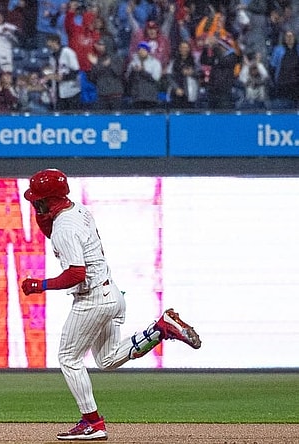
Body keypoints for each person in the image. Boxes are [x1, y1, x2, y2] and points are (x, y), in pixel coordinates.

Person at [20, 168, 202, 441]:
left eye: (38, 199)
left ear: (49, 198)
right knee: (106, 359)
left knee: (68, 359)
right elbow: (54, 230)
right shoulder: (78, 211)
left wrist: (40, 285)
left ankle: (92, 422)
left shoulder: (63, 228)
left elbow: (75, 274)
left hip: (92, 299)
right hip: (112, 295)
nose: (35, 203)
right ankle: (160, 329)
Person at [44, 32, 81, 111]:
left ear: (55, 41)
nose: (48, 45)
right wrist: (49, 75)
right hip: (58, 92)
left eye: (49, 42)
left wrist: (62, 77)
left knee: (73, 117)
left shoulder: (68, 52)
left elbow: (76, 71)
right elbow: (53, 71)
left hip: (71, 91)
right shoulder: (52, 55)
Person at [87, 36, 124, 110]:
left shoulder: (117, 58)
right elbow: (92, 78)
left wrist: (109, 65)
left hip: (115, 95)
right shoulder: (97, 59)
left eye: (101, 44)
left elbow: (119, 72)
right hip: (102, 95)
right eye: (99, 44)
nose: (99, 46)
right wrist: (98, 65)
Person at [126, 40, 161, 109]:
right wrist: (133, 71)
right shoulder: (133, 62)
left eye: (143, 49)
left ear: (148, 51)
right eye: (139, 49)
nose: (141, 51)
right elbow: (128, 78)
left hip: (150, 97)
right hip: (137, 97)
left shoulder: (155, 63)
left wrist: (143, 71)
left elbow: (156, 78)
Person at [269, 30, 299, 110]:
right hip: (283, 82)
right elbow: (273, 66)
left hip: (296, 83)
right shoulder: (278, 50)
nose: (289, 38)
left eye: (291, 36)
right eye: (287, 36)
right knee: (282, 105)